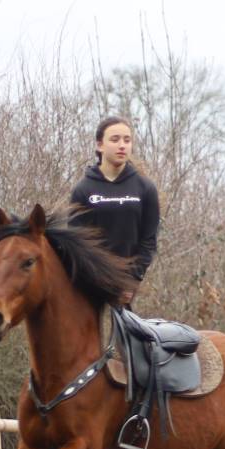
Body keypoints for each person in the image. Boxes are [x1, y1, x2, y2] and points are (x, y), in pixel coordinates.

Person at [67, 116, 160, 311]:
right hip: (90, 287)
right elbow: (77, 245)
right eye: (115, 139)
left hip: (126, 289)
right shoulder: (83, 190)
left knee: (132, 340)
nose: (122, 145)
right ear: (100, 145)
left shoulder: (145, 188)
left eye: (127, 140)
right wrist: (98, 282)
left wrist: (131, 281)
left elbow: (148, 241)